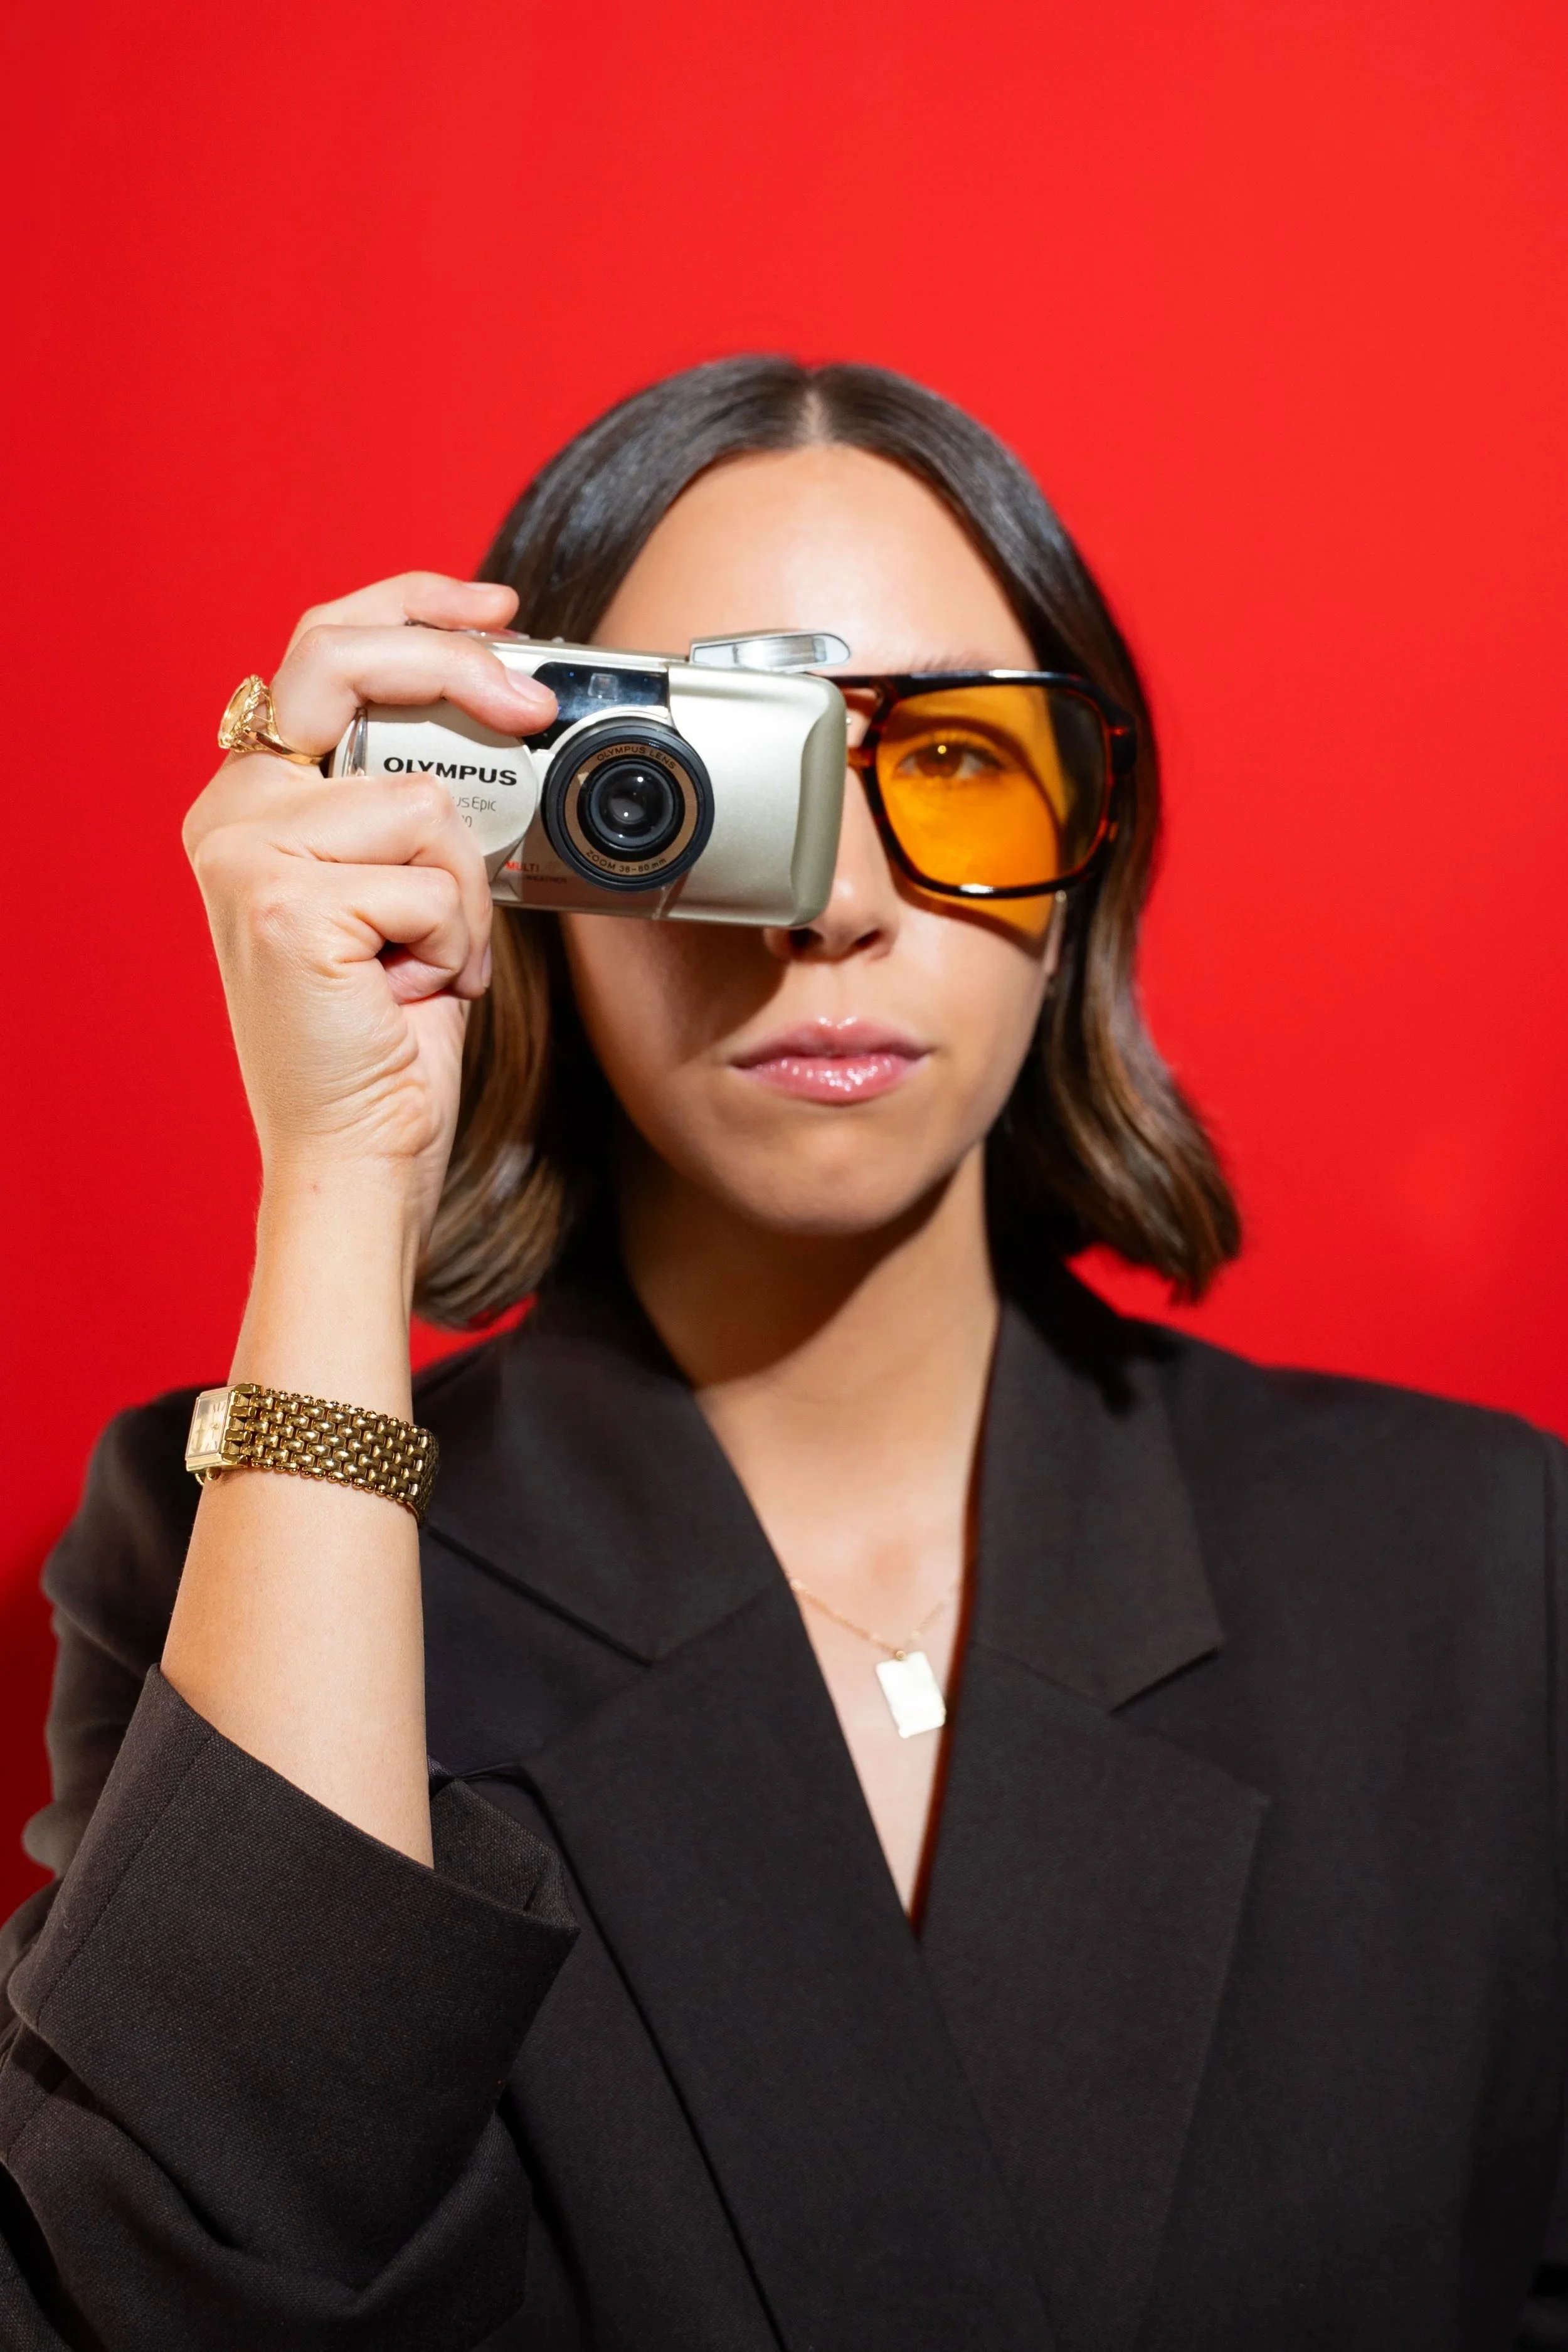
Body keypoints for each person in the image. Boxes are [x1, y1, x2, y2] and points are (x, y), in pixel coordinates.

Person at [1, 356, 1563, 2352]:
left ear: (1090, 845)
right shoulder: (232, 1553)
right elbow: (182, 2297)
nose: (826, 900)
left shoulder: (1478, 1569)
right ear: (514, 820)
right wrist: (338, 1180)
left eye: (958, 764)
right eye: (705, 780)